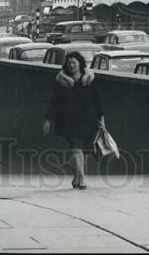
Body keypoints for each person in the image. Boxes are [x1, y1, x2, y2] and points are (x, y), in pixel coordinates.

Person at [42, 51, 104, 190]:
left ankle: (77, 177)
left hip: (88, 119)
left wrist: (102, 119)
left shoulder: (89, 78)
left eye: (74, 63)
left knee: (85, 150)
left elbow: (97, 100)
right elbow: (54, 101)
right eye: (69, 63)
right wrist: (47, 119)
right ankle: (82, 178)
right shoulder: (61, 80)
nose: (71, 66)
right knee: (76, 147)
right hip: (69, 119)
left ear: (80, 63)